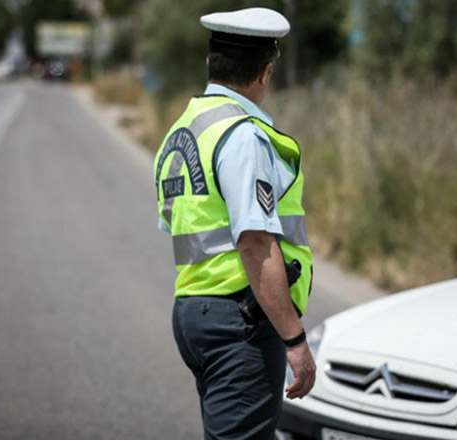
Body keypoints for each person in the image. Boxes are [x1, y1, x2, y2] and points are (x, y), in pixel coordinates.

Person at [152, 7, 316, 440]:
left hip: (193, 311)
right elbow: (255, 245)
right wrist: (295, 341)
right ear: (265, 73)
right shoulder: (242, 135)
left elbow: (181, 230)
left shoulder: (182, 131)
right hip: (238, 321)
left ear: (211, 63)